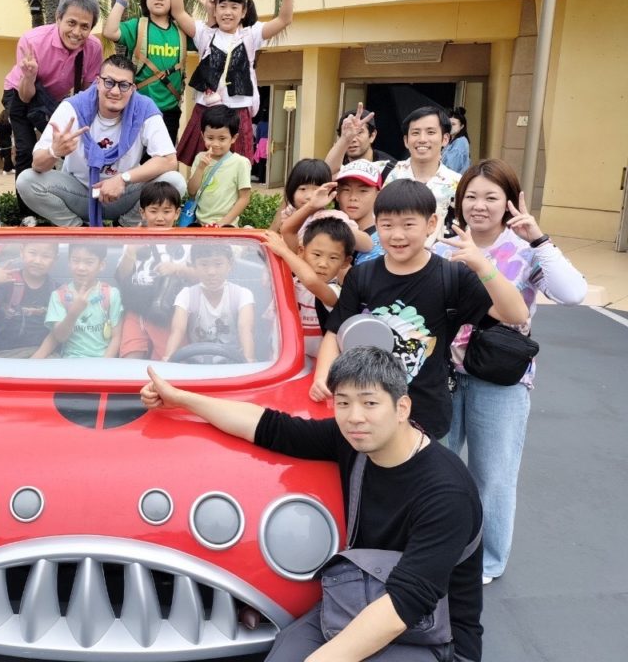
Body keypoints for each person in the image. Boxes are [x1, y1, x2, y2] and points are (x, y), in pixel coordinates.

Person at [141, 346, 486, 662]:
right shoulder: (352, 442)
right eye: (343, 402)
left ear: (402, 408)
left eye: (370, 403)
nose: (354, 417)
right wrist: (182, 400)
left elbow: (404, 605)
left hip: (433, 633)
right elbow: (268, 426)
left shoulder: (445, 493)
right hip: (358, 596)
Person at [433, 159, 585, 584]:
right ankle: (437, 551)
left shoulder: (524, 250)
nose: (479, 206)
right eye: (471, 196)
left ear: (510, 202)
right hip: (444, 374)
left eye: (491, 197)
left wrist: (538, 237)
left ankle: (487, 561)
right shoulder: (442, 246)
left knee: (494, 477)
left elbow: (573, 293)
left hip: (501, 379)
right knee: (438, 469)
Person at [311, 179, 530, 439]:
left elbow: (516, 315)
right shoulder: (362, 276)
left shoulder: (452, 276)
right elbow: (336, 331)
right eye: (387, 225)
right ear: (376, 225)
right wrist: (323, 377)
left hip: (427, 416)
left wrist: (483, 267)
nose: (397, 235)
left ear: (431, 223)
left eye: (408, 224)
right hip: (368, 414)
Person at [17, 54, 187, 227]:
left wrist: (123, 179)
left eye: (124, 85)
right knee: (26, 181)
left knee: (174, 181)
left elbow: (169, 160)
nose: (115, 91)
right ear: (98, 82)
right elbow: (37, 164)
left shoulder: (145, 109)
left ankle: (125, 229)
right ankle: (78, 230)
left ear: (133, 89)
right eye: (109, 82)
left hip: (123, 194)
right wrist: (54, 151)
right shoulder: (72, 107)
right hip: (79, 193)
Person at [170, 0, 297, 166]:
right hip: (206, 111)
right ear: (215, 10)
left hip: (238, 113)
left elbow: (284, 19)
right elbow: (179, 13)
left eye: (234, 7)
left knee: (236, 169)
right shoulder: (204, 34)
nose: (227, 12)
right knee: (202, 167)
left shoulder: (251, 35)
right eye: (222, 6)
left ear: (243, 12)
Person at [2, 0, 104, 213]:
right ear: (58, 18)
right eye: (71, 23)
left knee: (64, 148)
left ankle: (59, 204)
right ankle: (27, 216)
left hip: (54, 100)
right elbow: (25, 96)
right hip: (20, 91)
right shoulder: (32, 41)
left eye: (85, 26)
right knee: (26, 150)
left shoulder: (94, 48)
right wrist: (29, 76)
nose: (76, 32)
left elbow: (87, 92)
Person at [103, 0, 188, 144]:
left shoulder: (182, 31)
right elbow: (110, 31)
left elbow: (208, 38)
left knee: (163, 159)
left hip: (170, 113)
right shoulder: (137, 26)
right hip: (136, 110)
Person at [117, 180, 193, 359]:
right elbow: (121, 276)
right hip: (137, 309)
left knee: (167, 360)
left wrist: (177, 269)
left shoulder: (187, 243)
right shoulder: (133, 241)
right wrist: (131, 251)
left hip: (167, 312)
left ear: (177, 213)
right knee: (130, 358)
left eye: (166, 211)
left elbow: (199, 276)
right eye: (153, 211)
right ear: (142, 213)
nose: (160, 218)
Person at [264, 218, 355, 357]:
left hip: (317, 362)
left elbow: (311, 282)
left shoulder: (335, 291)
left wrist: (284, 250)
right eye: (317, 255)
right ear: (302, 251)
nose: (323, 264)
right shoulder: (290, 282)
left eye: (333, 258)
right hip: (284, 358)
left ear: (345, 262)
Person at [163, 241, 255, 362]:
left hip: (232, 364)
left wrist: (249, 359)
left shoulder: (242, 295)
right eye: (204, 264)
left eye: (218, 264)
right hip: (195, 364)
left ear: (230, 264)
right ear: (194, 266)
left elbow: (245, 330)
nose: (211, 272)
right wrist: (167, 358)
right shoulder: (186, 295)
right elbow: (177, 331)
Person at [384, 106, 462, 245]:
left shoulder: (458, 184)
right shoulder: (385, 172)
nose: (422, 139)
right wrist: (346, 140)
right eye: (415, 133)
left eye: (430, 132)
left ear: (445, 139)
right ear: (406, 140)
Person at [33, 243, 123, 359]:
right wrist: (74, 312)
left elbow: (116, 337)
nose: (81, 267)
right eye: (75, 261)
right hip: (70, 360)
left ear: (101, 265)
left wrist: (103, 364)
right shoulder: (59, 295)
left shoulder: (111, 294)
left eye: (89, 262)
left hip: (103, 360)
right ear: (69, 262)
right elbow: (60, 337)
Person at [0, 241, 59, 358]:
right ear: (21, 252)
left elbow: (57, 331)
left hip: (43, 354)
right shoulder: (7, 281)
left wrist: (37, 358)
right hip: (6, 353)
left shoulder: (56, 290)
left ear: (55, 259)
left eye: (46, 256)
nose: (37, 261)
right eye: (32, 253)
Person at [186, 105, 252, 227]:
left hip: (227, 226)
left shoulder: (241, 163)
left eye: (222, 139)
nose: (215, 144)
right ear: (203, 135)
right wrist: (200, 168)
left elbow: (244, 198)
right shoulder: (200, 158)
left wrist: (222, 223)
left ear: (234, 138)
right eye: (210, 138)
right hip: (200, 225)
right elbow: (191, 192)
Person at [336, 159, 385, 265]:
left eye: (363, 191)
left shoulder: (383, 238)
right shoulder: (326, 228)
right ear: (337, 194)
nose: (353, 197)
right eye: (346, 190)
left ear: (378, 195)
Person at [325, 103, 396, 175]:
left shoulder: (389, 168)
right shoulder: (337, 163)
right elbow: (326, 174)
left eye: (359, 132)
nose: (353, 139)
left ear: (372, 136)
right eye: (347, 133)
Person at [442, 107, 471, 174]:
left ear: (462, 126)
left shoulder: (460, 142)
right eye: (449, 124)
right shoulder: (452, 141)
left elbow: (451, 168)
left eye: (453, 124)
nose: (450, 127)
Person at [0, 108, 14, 174]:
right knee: (7, 156)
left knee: (5, 156)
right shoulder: (8, 124)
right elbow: (10, 133)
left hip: (1, 142)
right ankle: (5, 169)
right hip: (7, 142)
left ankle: (12, 168)